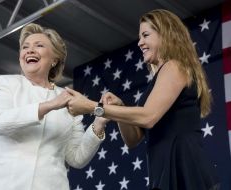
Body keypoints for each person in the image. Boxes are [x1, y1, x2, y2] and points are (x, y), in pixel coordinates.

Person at [65, 9, 220, 190]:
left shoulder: (175, 67)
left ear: (166, 34)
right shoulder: (157, 80)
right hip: (163, 171)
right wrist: (120, 108)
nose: (140, 42)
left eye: (146, 35)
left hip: (186, 170)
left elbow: (148, 117)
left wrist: (92, 107)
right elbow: (133, 139)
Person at [0, 23, 108, 190]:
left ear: (54, 59)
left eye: (39, 45)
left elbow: (76, 158)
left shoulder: (69, 97)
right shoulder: (7, 83)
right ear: (20, 57)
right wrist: (50, 105)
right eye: (25, 47)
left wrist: (99, 124)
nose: (30, 50)